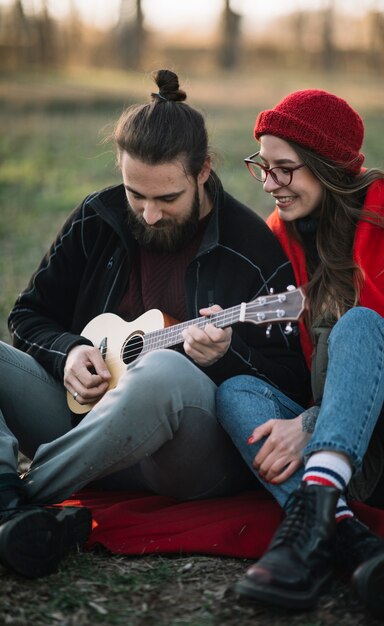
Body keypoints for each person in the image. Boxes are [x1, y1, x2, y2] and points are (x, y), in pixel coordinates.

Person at [0, 70, 309, 579]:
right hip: (86, 426)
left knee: (162, 370)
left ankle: (18, 503)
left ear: (203, 170)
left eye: (167, 199)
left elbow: (293, 386)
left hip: (184, 458)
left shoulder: (251, 251)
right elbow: (27, 315)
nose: (147, 214)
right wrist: (70, 350)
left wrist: (225, 355)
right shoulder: (99, 216)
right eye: (135, 194)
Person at [216, 89, 384, 619]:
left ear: (329, 168)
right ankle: (350, 537)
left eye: (286, 169)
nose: (271, 184)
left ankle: (313, 513)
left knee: (360, 326)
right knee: (237, 391)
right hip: (353, 455)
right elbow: (278, 361)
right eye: (263, 166)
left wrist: (310, 420)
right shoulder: (277, 237)